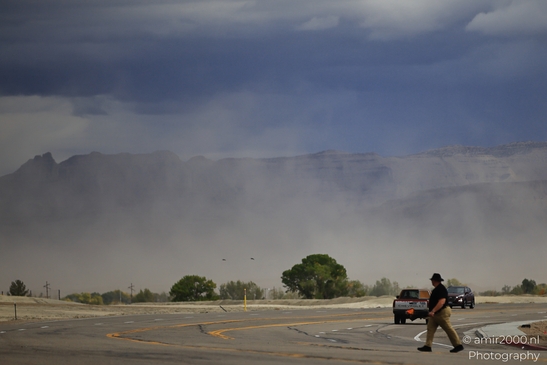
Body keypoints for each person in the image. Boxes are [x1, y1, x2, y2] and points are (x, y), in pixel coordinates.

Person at [417, 273, 464, 353]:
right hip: (436, 314)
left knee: (448, 328)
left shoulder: (441, 289)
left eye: (432, 280)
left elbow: (442, 302)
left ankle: (458, 345)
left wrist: (433, 311)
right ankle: (427, 346)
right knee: (430, 329)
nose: (431, 281)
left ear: (435, 281)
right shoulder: (436, 289)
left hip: (442, 312)